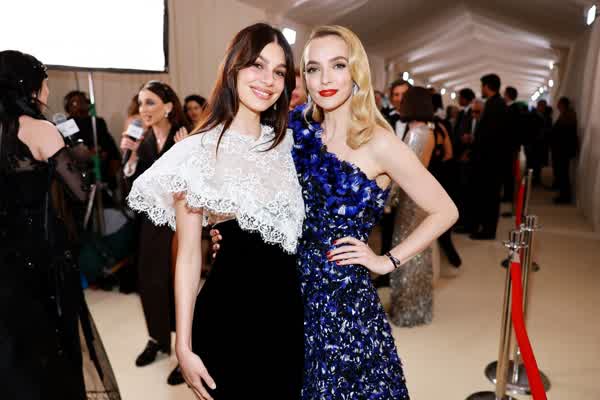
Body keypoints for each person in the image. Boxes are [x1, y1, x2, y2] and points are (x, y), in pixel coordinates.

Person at [212, 24, 458, 398]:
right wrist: (232, 234)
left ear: (356, 71)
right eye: (314, 68)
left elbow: (445, 210)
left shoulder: (379, 142)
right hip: (282, 295)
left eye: (338, 65)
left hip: (343, 306)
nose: (325, 79)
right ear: (304, 77)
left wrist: (386, 261)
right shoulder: (293, 130)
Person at [128, 23, 304, 399]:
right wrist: (183, 345)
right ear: (233, 67)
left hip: (290, 320)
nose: (268, 80)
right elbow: (189, 256)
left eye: (279, 72)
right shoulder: (196, 153)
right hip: (230, 320)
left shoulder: (289, 144)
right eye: (257, 65)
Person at [0, 50, 121, 400]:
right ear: (28, 87)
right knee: (52, 337)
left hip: (3, 254)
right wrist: (73, 155)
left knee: (10, 339)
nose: (49, 91)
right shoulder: (41, 129)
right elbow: (80, 192)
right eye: (45, 83)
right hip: (39, 252)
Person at [121, 80, 189, 385]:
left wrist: (187, 152)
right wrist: (131, 156)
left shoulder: (184, 136)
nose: (143, 109)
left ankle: (185, 350)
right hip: (150, 221)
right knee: (149, 280)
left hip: (181, 220)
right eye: (140, 103)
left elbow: (197, 181)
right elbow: (129, 188)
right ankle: (158, 339)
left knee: (179, 284)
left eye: (150, 102)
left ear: (169, 106)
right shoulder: (144, 139)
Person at [64, 90, 121, 205]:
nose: (79, 105)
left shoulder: (97, 122)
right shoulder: (66, 125)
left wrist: (106, 155)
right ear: (68, 107)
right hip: (80, 172)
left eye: (82, 102)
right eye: (74, 103)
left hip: (101, 169)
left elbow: (109, 145)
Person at [470, 73, 507, 240]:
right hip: (491, 159)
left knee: (490, 196)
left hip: (490, 161)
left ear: (487, 86)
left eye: (482, 86)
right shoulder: (495, 103)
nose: (481, 89)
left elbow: (491, 136)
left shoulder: (496, 105)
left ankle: (488, 230)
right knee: (488, 195)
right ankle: (484, 227)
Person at [550, 97, 578, 204]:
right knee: (562, 173)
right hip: (561, 149)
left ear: (563, 104)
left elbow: (563, 133)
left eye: (559, 104)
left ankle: (564, 196)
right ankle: (563, 195)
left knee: (563, 174)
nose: (557, 105)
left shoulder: (568, 116)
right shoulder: (566, 115)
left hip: (563, 150)